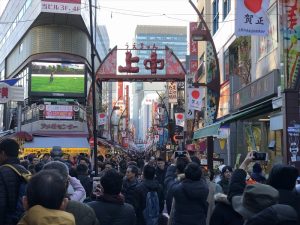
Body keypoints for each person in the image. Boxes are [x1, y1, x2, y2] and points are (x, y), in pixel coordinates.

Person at [42, 161, 99, 225]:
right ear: (66, 183)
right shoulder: (73, 202)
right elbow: (80, 189)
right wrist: (69, 177)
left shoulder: (32, 207)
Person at [0, 138, 31, 225]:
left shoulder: (2, 171)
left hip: (6, 219)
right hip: (21, 218)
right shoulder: (24, 170)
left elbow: (1, 203)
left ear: (3, 153)